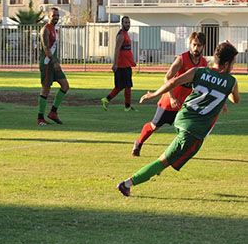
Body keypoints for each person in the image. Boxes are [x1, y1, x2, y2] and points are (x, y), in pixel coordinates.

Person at [117, 41, 240, 196]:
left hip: (181, 117)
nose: (233, 67)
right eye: (233, 64)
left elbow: (174, 81)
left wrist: (153, 94)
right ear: (227, 63)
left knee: (173, 157)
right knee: (162, 162)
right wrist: (224, 92)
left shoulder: (198, 71)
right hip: (193, 131)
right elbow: (235, 100)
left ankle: (165, 162)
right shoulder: (231, 81)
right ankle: (127, 183)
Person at [132, 32, 207, 156]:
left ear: (203, 46)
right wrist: (172, 98)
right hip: (169, 101)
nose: (196, 48)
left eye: (199, 45)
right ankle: (139, 142)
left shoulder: (203, 63)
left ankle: (179, 154)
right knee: (154, 126)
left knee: (186, 129)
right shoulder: (182, 59)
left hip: (185, 103)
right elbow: (167, 78)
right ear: (190, 44)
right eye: (194, 45)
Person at [37, 7, 69, 126]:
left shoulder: (55, 29)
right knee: (46, 89)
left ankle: (53, 112)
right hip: (47, 63)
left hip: (54, 62)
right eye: (53, 15)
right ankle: (40, 118)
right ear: (48, 16)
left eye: (57, 15)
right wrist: (54, 62)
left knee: (65, 85)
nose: (56, 17)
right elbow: (46, 48)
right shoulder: (45, 29)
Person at [101, 16, 137, 111]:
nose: (127, 24)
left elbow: (126, 50)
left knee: (126, 86)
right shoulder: (121, 35)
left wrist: (132, 61)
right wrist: (115, 64)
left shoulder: (126, 34)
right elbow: (117, 50)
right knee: (122, 86)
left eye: (128, 23)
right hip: (121, 65)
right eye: (126, 23)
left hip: (126, 64)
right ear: (122, 24)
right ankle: (108, 100)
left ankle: (127, 106)